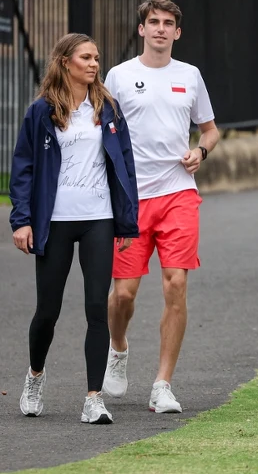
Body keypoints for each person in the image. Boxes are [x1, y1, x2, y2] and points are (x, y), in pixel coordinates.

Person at [9, 33, 139, 424]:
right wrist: (22, 220)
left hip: (98, 219)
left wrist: (126, 221)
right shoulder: (41, 111)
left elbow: (126, 164)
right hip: (55, 223)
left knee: (96, 308)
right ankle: (34, 377)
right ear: (65, 61)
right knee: (47, 311)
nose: (94, 64)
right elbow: (23, 168)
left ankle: (93, 397)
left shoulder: (108, 109)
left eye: (97, 58)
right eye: (86, 57)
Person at [101, 0, 220, 413]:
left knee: (176, 284)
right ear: (141, 29)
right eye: (153, 22)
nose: (160, 29)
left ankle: (162, 384)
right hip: (131, 198)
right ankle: (117, 348)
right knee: (124, 297)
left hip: (179, 193)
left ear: (177, 32)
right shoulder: (118, 76)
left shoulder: (189, 76)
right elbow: (100, 131)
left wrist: (201, 153)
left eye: (168, 23)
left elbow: (210, 130)